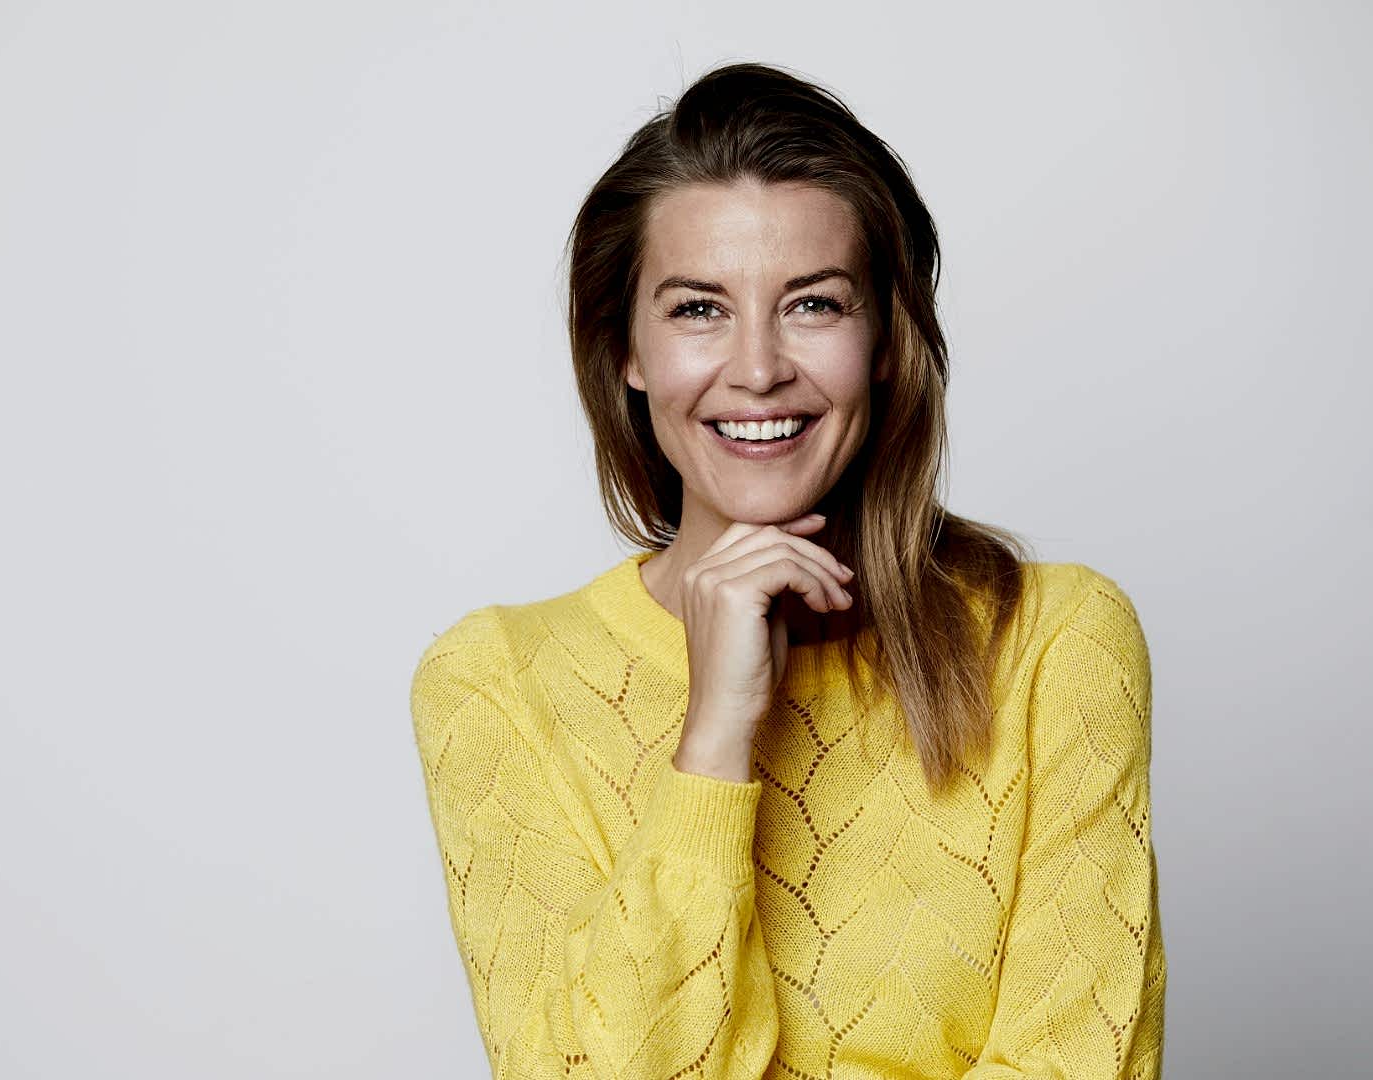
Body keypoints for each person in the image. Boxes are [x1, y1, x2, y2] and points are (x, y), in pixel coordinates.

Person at [409, 61, 1165, 1079]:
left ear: (885, 338)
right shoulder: (495, 683)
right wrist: (715, 737)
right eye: (697, 310)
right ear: (626, 350)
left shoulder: (1056, 645)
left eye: (813, 304)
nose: (759, 369)